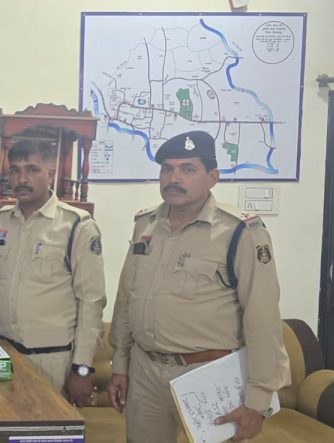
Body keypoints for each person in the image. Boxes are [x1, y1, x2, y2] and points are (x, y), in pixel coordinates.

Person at [107, 130, 290, 442]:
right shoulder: (145, 225)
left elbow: (262, 319)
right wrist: (120, 365)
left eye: (188, 169)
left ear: (213, 177)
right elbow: (126, 299)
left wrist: (257, 402)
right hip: (145, 372)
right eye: (167, 168)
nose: (173, 178)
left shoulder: (240, 232)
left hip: (208, 374)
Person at [0, 139, 106, 407]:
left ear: (51, 173)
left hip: (52, 362)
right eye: (15, 170)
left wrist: (82, 369)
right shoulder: (1, 221)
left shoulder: (76, 225)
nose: (22, 179)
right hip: (4, 354)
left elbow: (91, 301)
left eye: (32, 169)